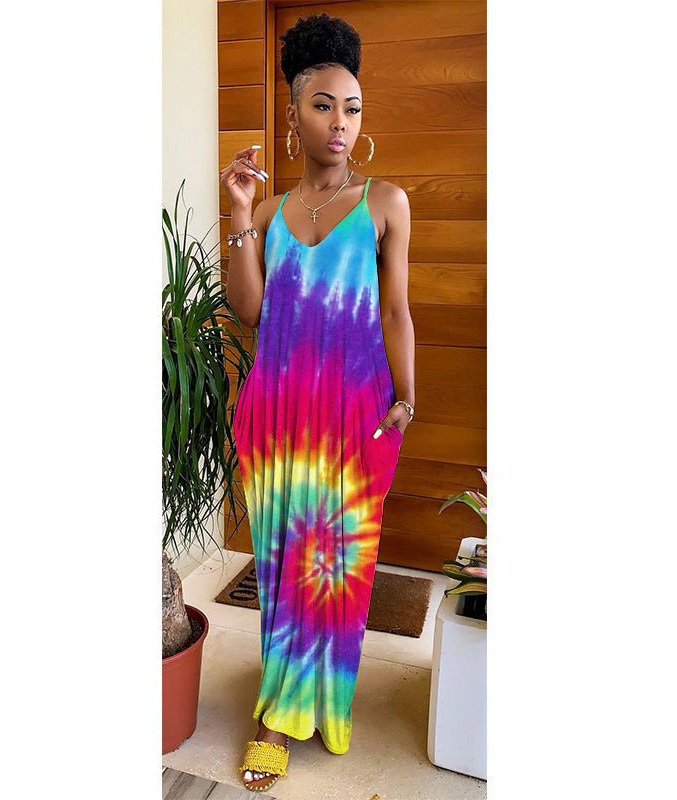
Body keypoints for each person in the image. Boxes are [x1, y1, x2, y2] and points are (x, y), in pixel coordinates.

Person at [220, 11, 415, 793]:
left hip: (352, 416)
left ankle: (319, 703)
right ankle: (278, 714)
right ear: (294, 111)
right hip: (279, 419)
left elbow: (396, 311)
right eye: (324, 105)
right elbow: (249, 311)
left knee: (337, 567)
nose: (341, 122)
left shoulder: (385, 202)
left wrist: (408, 395)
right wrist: (240, 214)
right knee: (284, 566)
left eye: (353, 108)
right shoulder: (269, 214)